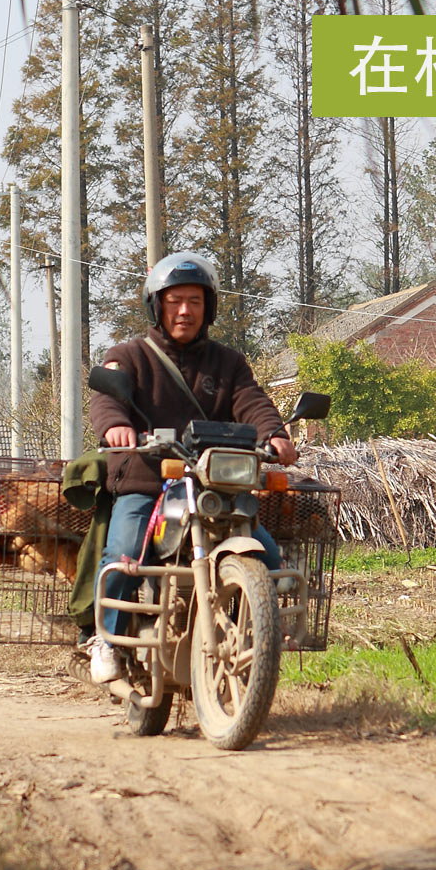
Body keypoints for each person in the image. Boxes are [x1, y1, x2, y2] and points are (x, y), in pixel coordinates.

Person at [86, 251, 298, 683]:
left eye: (195, 302)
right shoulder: (128, 356)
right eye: (175, 300)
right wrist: (116, 428)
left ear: (209, 308)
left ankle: (257, 632)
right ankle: (105, 639)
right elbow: (106, 401)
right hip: (147, 483)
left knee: (272, 558)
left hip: (211, 484)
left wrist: (274, 433)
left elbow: (252, 402)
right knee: (125, 553)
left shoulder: (229, 363)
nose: (185, 311)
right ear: (156, 305)